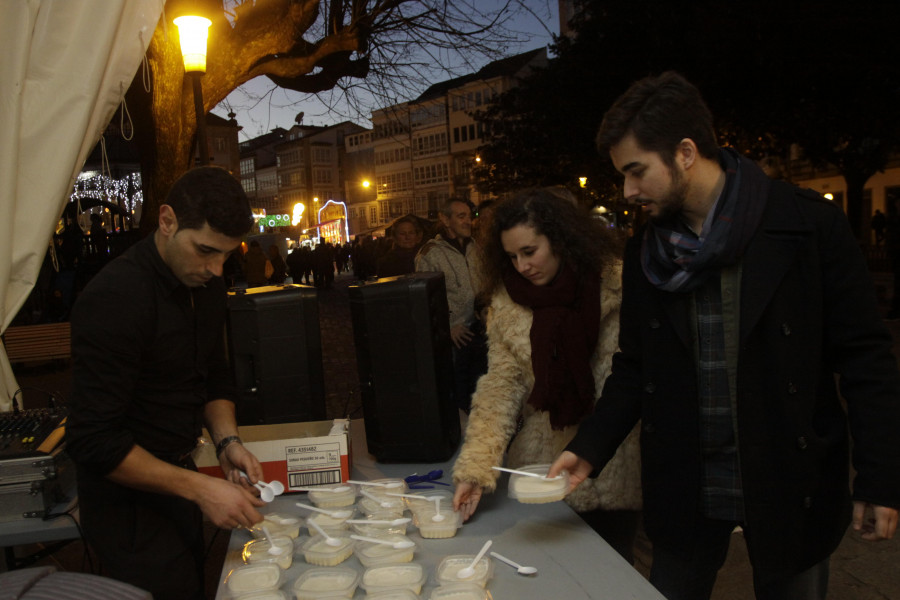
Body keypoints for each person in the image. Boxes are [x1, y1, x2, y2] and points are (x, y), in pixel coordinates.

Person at [549, 72, 900, 600]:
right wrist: (591, 447)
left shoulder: (807, 226)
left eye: (637, 171)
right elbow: (635, 365)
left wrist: (880, 476)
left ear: (686, 152)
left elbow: (866, 360)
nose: (627, 191)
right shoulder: (646, 252)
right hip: (686, 483)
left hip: (787, 479)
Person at [66, 167, 267, 600]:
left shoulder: (206, 283)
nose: (215, 269)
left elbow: (213, 374)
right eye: (206, 251)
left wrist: (228, 441)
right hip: (125, 500)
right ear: (167, 221)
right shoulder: (115, 297)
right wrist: (200, 488)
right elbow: (93, 440)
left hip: (179, 476)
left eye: (227, 257)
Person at [451, 188, 642, 562]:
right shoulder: (509, 303)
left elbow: (637, 377)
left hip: (613, 461)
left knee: (613, 573)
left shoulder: (618, 285)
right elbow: (500, 388)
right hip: (543, 470)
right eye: (511, 256)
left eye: (529, 251)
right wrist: (475, 468)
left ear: (560, 240)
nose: (522, 266)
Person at [416, 198, 487, 412]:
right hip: (455, 338)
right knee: (459, 396)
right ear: (445, 220)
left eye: (469, 216)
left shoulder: (476, 248)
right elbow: (424, 301)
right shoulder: (430, 254)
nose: (468, 221)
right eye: (461, 216)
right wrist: (447, 327)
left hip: (481, 331)